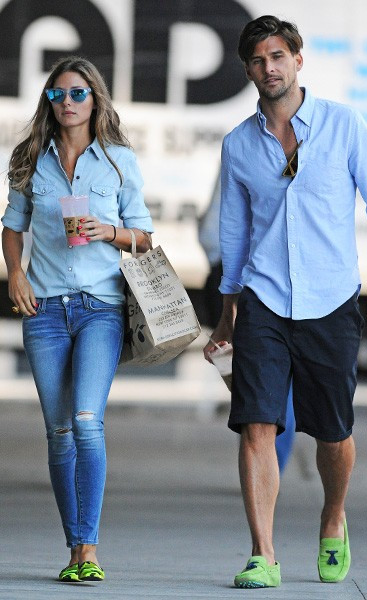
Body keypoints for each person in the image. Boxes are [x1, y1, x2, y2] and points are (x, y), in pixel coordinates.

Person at [203, 15, 367, 589]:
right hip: (263, 298)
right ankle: (262, 554)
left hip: (331, 298)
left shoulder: (343, 125)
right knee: (256, 425)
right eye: (258, 60)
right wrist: (228, 311)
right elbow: (234, 231)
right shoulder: (239, 144)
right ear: (247, 70)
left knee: (333, 432)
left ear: (297, 60)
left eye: (278, 56)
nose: (269, 68)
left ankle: (333, 516)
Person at [1, 56, 153, 582]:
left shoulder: (118, 161)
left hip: (100, 308)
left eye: (77, 93)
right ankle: (73, 550)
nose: (66, 102)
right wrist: (15, 273)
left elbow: (144, 238)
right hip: (43, 310)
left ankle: (89, 549)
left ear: (95, 99)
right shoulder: (31, 158)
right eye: (57, 94)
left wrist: (108, 231)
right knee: (60, 430)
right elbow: (12, 226)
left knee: (87, 420)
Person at [200, 171, 296, 472]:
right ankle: (268, 461)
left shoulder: (241, 156)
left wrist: (221, 263)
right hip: (271, 278)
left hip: (247, 278)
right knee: (274, 374)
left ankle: (265, 460)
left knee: (257, 375)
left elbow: (211, 229)